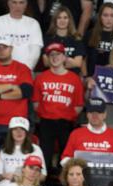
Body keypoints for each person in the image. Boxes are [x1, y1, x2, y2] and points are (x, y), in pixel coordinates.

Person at [33, 42, 84, 171]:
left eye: (58, 54)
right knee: (45, 156)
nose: (55, 57)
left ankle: (65, 185)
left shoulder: (74, 79)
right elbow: (36, 104)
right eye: (51, 55)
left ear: (64, 57)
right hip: (46, 122)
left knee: (66, 157)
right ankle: (45, 185)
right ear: (48, 58)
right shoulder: (40, 78)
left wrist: (67, 115)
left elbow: (78, 105)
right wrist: (47, 114)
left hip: (66, 123)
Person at [0, 36, 33, 146]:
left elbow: (25, 92)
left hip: (18, 123)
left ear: (11, 49)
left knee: (17, 159)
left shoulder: (22, 68)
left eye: (5, 47)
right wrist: (11, 86)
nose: (1, 50)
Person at [60, 98, 113, 165]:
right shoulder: (76, 134)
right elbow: (65, 158)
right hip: (81, 174)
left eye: (99, 112)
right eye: (92, 112)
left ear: (105, 114)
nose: (95, 116)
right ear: (87, 114)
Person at [0, 0, 43, 71]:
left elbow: (35, 51)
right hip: (3, 71)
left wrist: (25, 69)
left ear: (26, 4)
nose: (18, 6)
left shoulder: (33, 23)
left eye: (21, 3)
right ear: (8, 3)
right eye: (14, 2)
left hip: (26, 70)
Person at [42, 6, 85, 75]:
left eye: (65, 18)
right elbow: (46, 62)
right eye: (59, 18)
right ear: (55, 20)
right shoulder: (47, 38)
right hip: (52, 76)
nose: (62, 21)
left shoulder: (77, 38)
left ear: (69, 20)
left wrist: (55, 61)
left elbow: (78, 63)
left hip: (72, 76)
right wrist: (69, 61)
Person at [83, 2, 113, 78]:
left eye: (112, 15)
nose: (109, 19)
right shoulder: (89, 34)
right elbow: (83, 59)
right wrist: (86, 77)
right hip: (91, 78)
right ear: (100, 17)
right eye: (105, 15)